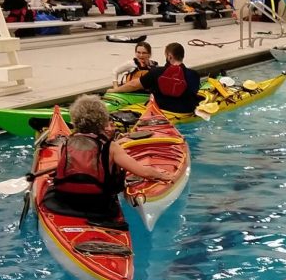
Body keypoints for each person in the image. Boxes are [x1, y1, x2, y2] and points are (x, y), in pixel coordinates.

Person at [42, 95, 174, 221]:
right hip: (98, 204)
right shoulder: (111, 147)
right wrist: (161, 175)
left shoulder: (66, 142)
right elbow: (143, 172)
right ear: (103, 120)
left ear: (75, 118)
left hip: (64, 199)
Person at [124, 42, 203, 115]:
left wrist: (113, 90)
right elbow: (193, 92)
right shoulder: (194, 74)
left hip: (161, 110)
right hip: (186, 111)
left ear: (169, 57)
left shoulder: (156, 72)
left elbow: (133, 85)